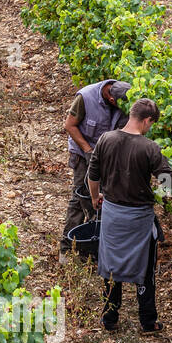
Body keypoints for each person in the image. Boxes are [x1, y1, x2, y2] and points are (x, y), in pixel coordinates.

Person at [87, 98, 172, 334]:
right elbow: (169, 181)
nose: (150, 128)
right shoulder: (149, 148)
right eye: (151, 124)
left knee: (111, 267)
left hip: (113, 216)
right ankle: (148, 322)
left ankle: (109, 318)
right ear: (146, 120)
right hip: (138, 220)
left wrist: (96, 198)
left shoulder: (106, 139)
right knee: (144, 272)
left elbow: (92, 175)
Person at [61, 78, 131, 249]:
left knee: (105, 200)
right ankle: (67, 245)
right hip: (84, 152)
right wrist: (88, 151)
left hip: (108, 155)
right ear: (111, 99)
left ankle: (95, 244)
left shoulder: (125, 97)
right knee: (79, 197)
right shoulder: (85, 97)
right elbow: (70, 125)